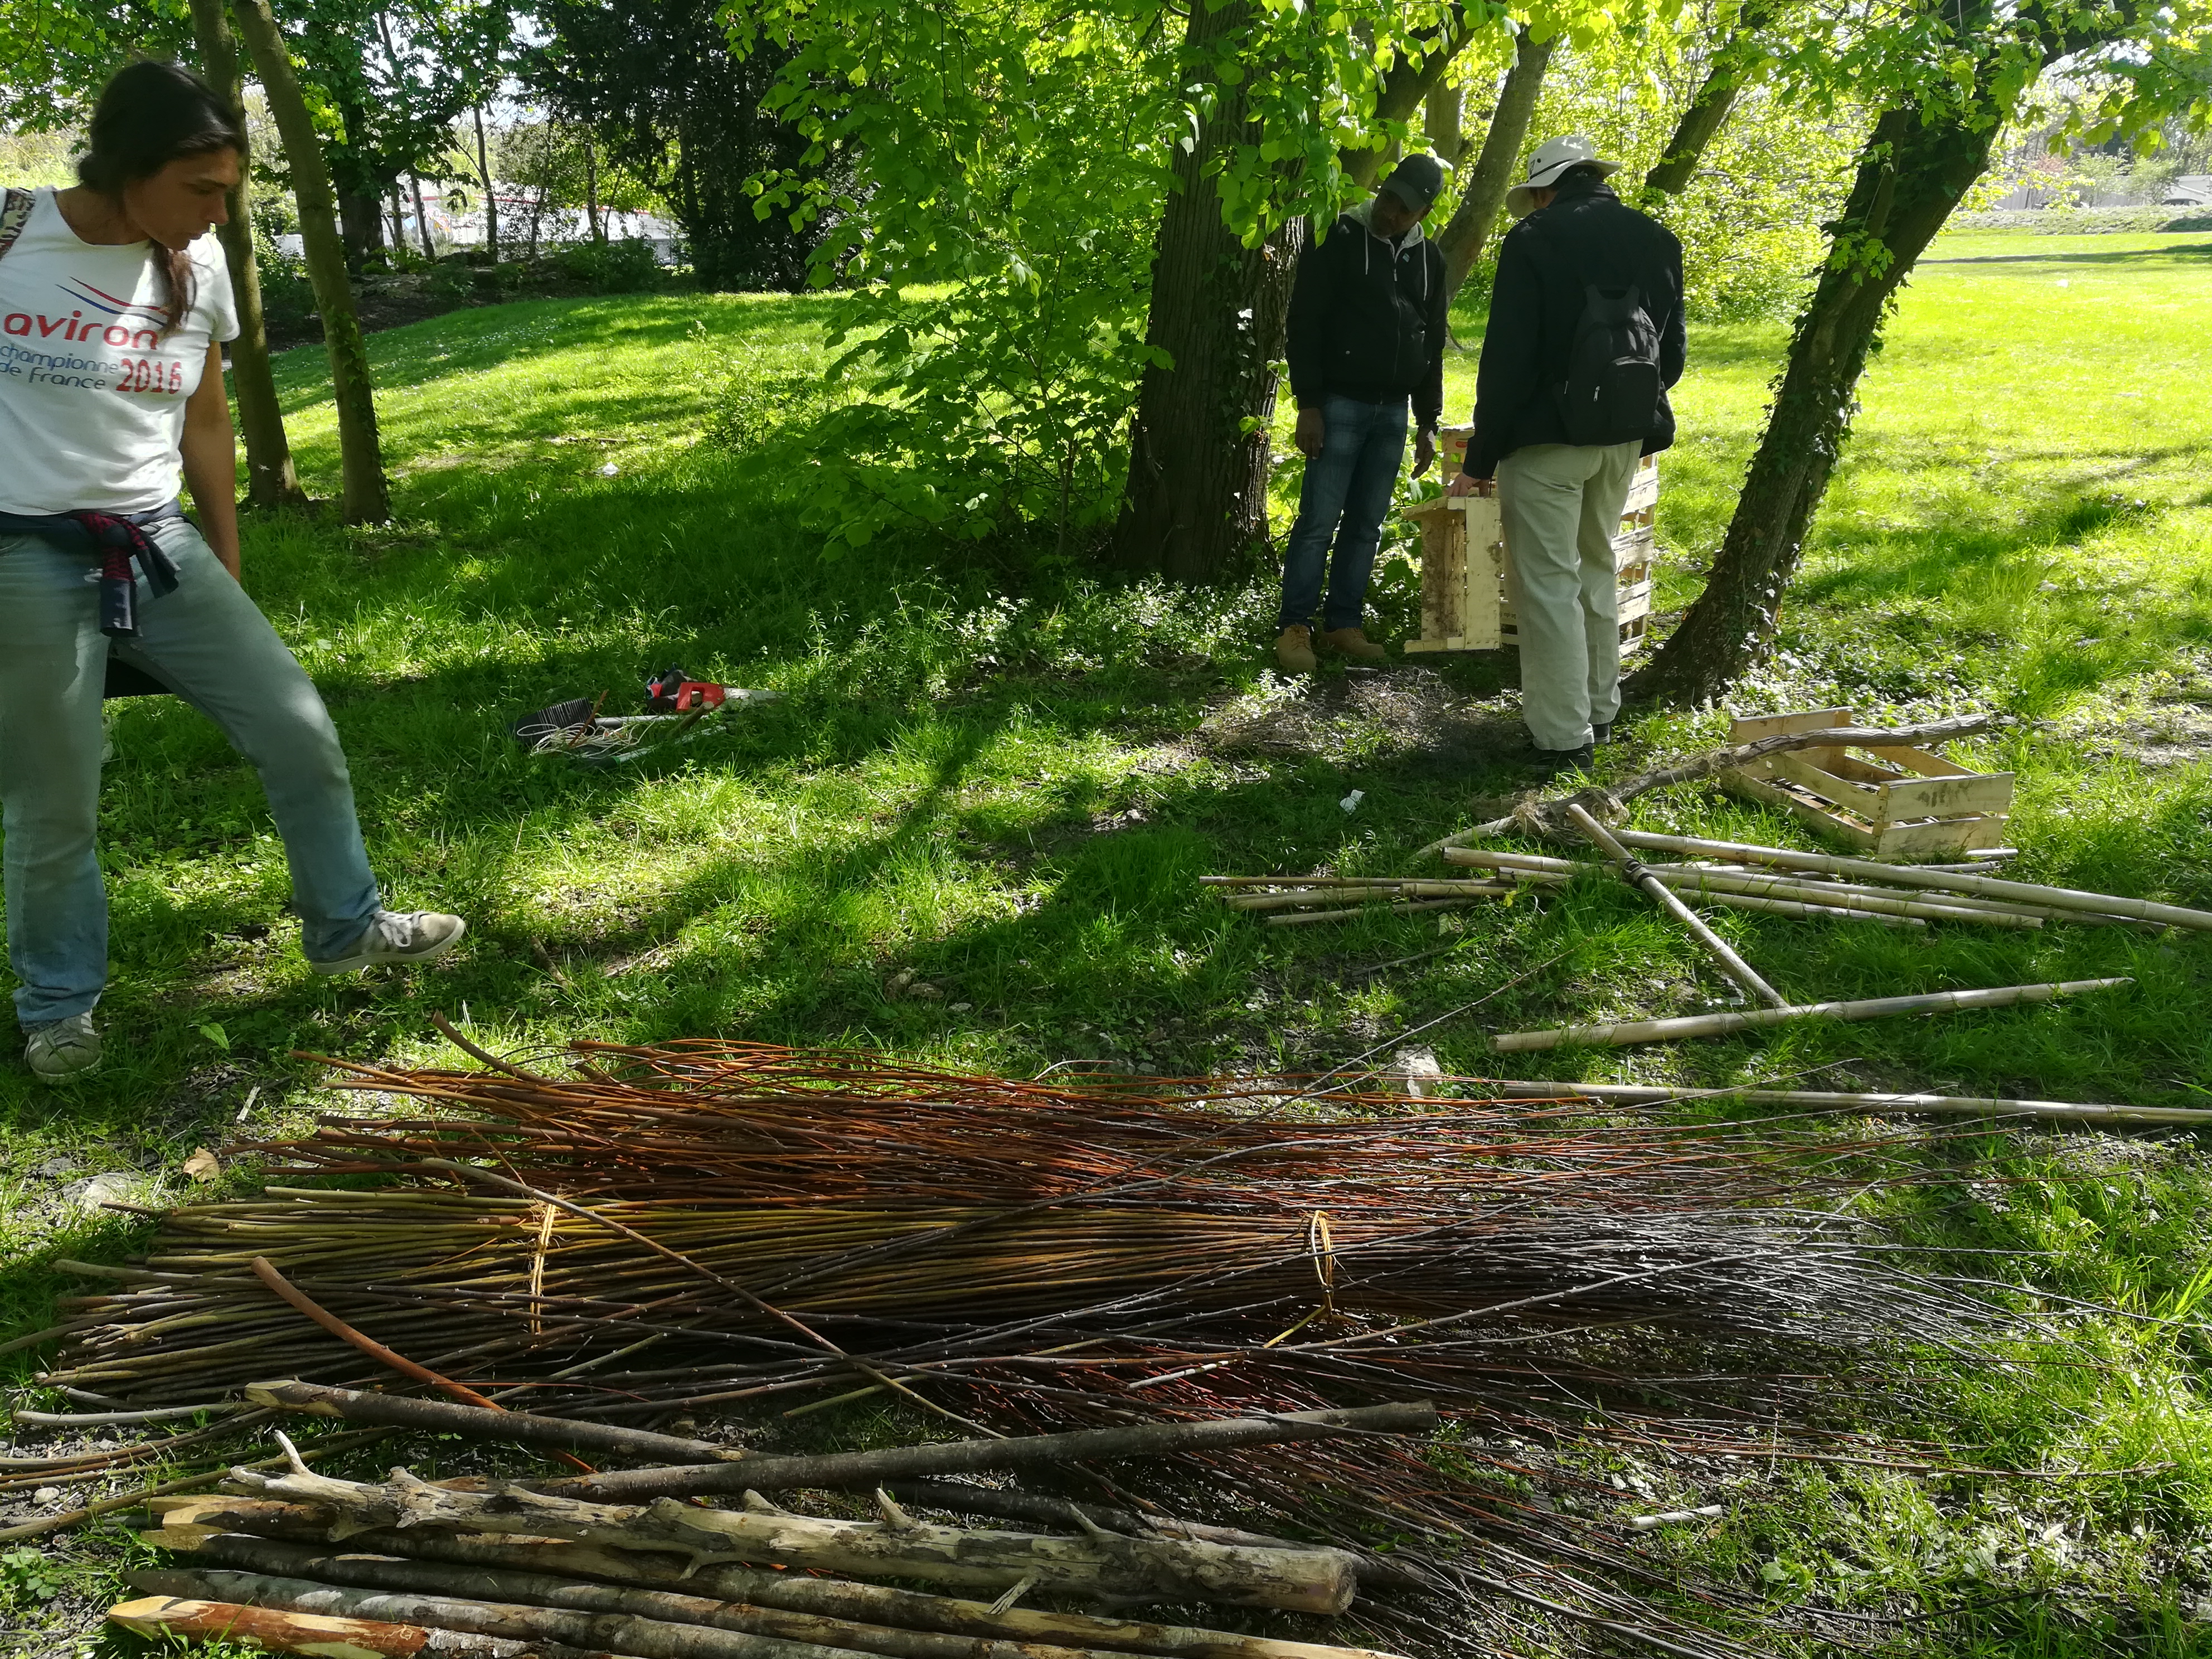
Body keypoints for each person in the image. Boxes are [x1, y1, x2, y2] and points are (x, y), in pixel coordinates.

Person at [0, 62, 464, 1080]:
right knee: (57, 798)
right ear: (126, 165)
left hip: (159, 543)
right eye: (199, 189)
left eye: (228, 191)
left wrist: (226, 562)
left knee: (298, 729)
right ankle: (59, 1010)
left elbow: (205, 421)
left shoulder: (198, 265)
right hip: (24, 553)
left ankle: (347, 927)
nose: (216, 213)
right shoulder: (10, 236)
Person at [1448, 134, 1685, 765]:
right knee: (1594, 567)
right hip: (1623, 439)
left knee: (1547, 583)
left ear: (1544, 190)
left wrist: (1479, 460)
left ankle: (1559, 734)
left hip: (1545, 442)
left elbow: (1506, 363)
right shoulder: (1656, 240)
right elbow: (1674, 358)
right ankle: (1600, 710)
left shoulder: (1533, 241)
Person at [1274, 154, 1451, 673]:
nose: (1391, 212)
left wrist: (1428, 420)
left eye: (1404, 209)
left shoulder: (1430, 261)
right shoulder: (1339, 238)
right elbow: (1305, 323)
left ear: (1423, 213)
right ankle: (1295, 626)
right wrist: (1309, 404)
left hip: (1394, 410)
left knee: (1367, 523)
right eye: (1389, 198)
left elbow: (1431, 341)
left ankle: (1342, 622)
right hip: (1339, 403)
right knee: (1318, 522)